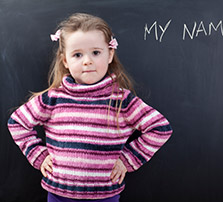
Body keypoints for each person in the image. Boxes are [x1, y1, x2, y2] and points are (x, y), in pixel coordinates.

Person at [7, 13, 172, 202]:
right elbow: (17, 122)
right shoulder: (53, 99)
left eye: (96, 52)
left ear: (110, 54)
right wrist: (38, 154)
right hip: (59, 194)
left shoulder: (122, 101)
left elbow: (160, 128)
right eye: (77, 54)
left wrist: (128, 160)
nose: (87, 61)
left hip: (104, 195)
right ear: (65, 61)